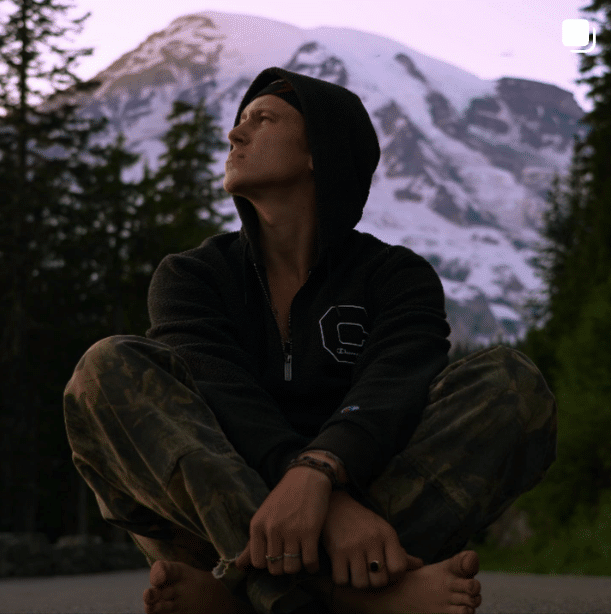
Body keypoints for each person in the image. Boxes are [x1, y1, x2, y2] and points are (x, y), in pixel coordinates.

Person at [62, 67, 558, 614]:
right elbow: (219, 394)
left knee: (512, 384)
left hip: (372, 520)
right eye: (239, 121)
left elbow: (396, 388)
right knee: (105, 368)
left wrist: (324, 469)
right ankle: (342, 598)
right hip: (222, 530)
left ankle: (245, 593)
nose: (235, 134)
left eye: (262, 119)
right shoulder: (192, 276)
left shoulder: (396, 275)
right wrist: (321, 492)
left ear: (318, 152)